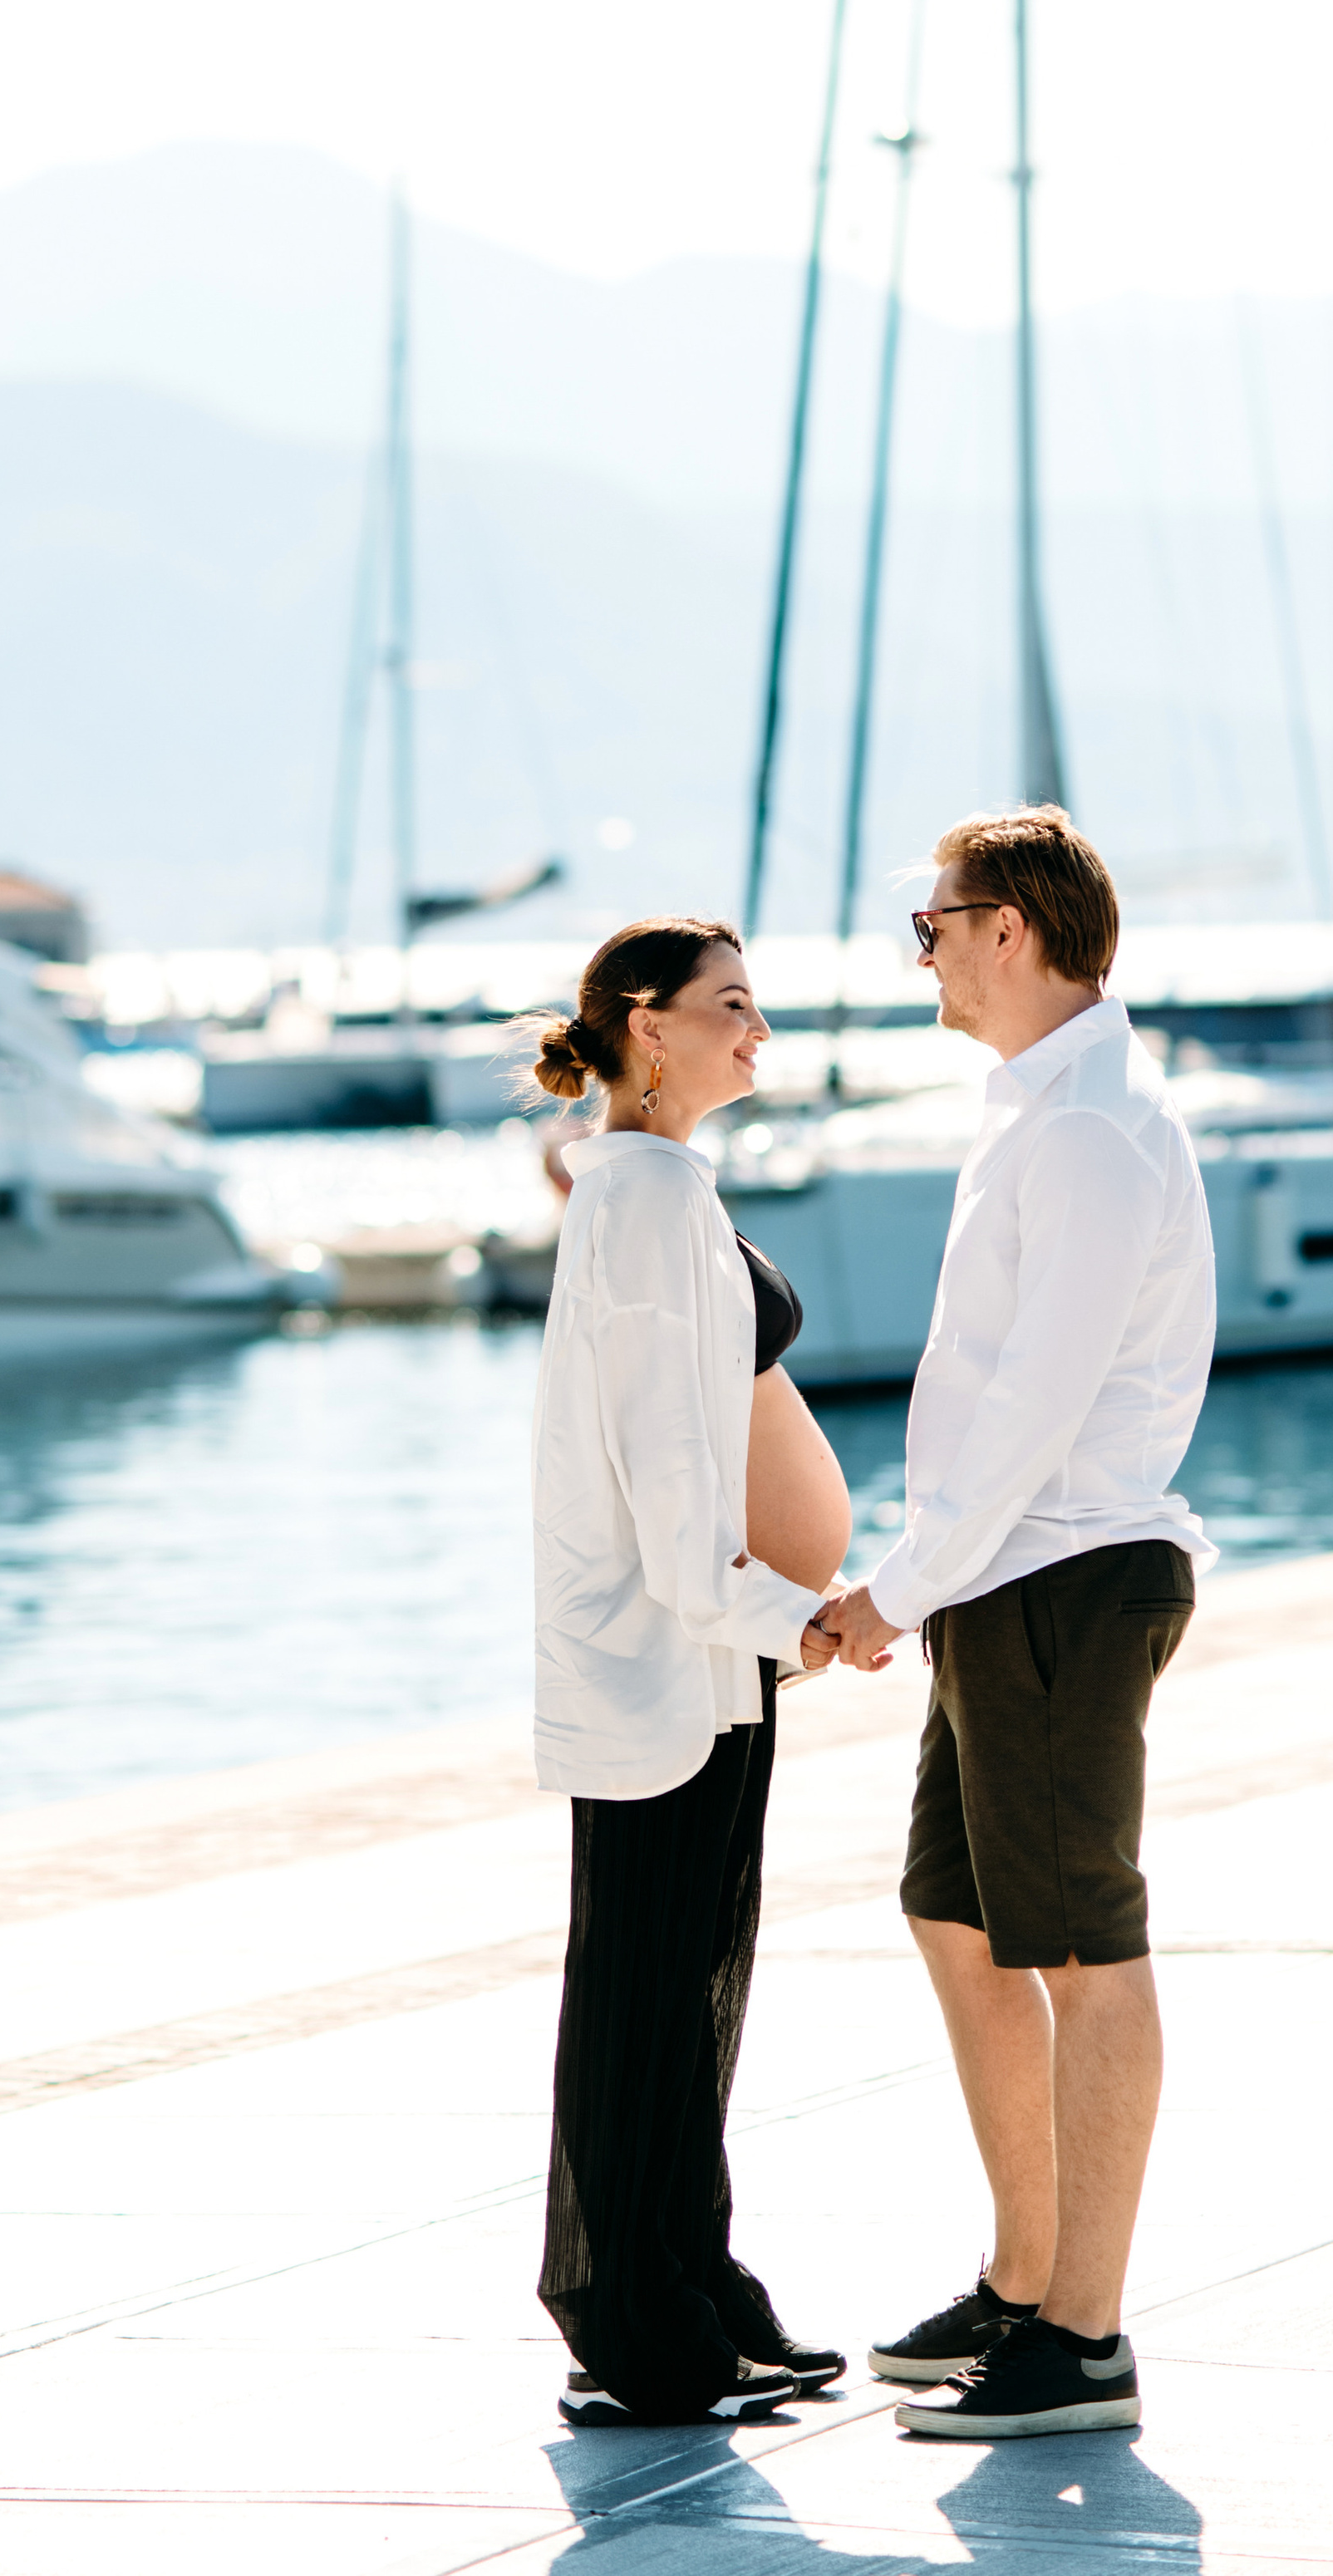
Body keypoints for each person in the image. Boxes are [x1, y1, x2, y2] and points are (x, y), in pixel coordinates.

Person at [816, 808, 1217, 2441]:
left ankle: (1085, 2340)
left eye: (931, 924)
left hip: (1058, 1568)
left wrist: (885, 1591)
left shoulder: (1085, 1132)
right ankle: (1026, 2284)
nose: (921, 952)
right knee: (959, 1917)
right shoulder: (1039, 1114)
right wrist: (924, 1583)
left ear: (1009, 929)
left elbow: (1038, 1413)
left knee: (1079, 1947)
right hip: (1004, 1579)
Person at [529, 916, 855, 2431]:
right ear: (647, 1028)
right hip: (679, 1665)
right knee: (648, 1998)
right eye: (733, 1008)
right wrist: (797, 1618)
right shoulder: (647, 1202)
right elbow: (671, 1506)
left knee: (685, 1995)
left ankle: (685, 2290)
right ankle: (634, 2320)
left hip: (712, 1671)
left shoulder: (648, 1187)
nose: (759, 1034)